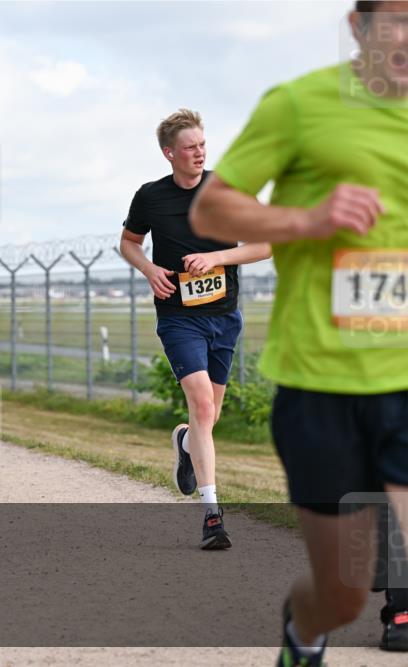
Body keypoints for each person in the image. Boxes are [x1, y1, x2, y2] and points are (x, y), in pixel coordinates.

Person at [190, 2, 407, 662]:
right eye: (400, 17)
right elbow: (212, 207)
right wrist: (309, 218)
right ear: (360, 25)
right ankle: (301, 629)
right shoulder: (300, 104)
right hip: (322, 382)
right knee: (340, 594)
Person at [120, 109, 271, 550]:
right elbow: (129, 242)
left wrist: (217, 258)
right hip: (177, 316)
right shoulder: (150, 197)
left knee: (208, 418)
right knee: (202, 406)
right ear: (170, 153)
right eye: (190, 147)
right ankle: (212, 515)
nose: (199, 153)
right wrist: (148, 269)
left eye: (203, 145)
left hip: (224, 316)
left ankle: (186, 443)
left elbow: (263, 245)